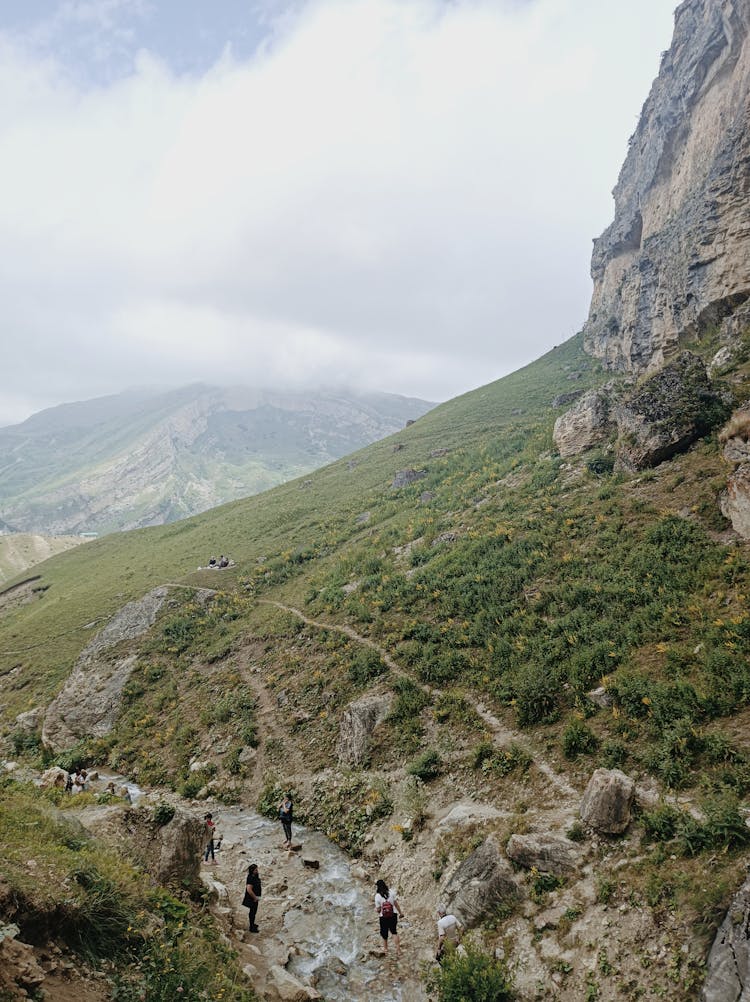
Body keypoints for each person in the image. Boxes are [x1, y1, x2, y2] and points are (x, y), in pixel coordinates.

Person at [375, 879, 403, 958]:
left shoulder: (377, 896)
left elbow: (378, 910)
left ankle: (386, 950)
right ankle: (398, 950)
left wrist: (376, 910)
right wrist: (400, 913)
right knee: (394, 932)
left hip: (383, 917)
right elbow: (396, 904)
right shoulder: (391, 892)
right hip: (393, 915)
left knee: (384, 934)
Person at [243, 863, 262, 932]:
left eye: (257, 869)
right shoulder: (250, 878)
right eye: (256, 870)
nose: (257, 871)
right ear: (252, 871)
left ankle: (252, 924)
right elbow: (249, 889)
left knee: (254, 912)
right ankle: (251, 927)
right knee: (252, 912)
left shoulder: (255, 875)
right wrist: (255, 898)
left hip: (255, 897)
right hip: (252, 898)